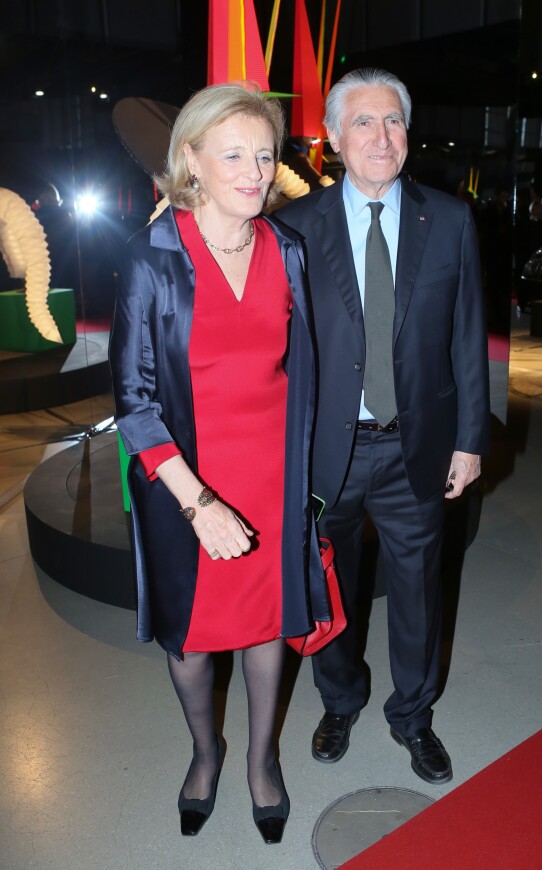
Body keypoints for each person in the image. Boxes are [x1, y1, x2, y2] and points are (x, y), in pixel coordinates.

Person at [109, 82, 327, 845]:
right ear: (191, 159)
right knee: (194, 640)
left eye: (264, 154)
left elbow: (307, 369)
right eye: (232, 152)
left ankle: (262, 763)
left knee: (267, 627)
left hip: (272, 477)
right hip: (184, 485)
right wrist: (198, 504)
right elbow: (134, 403)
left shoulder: (286, 249)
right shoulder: (153, 257)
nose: (254, 169)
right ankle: (207, 753)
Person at [276, 68, 490, 785]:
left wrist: (470, 439)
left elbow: (467, 337)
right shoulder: (295, 229)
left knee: (419, 589)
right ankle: (339, 701)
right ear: (333, 139)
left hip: (416, 445)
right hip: (324, 452)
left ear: (408, 132)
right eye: (362, 122)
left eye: (392, 120)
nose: (380, 136)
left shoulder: (451, 220)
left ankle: (413, 716)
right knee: (327, 589)